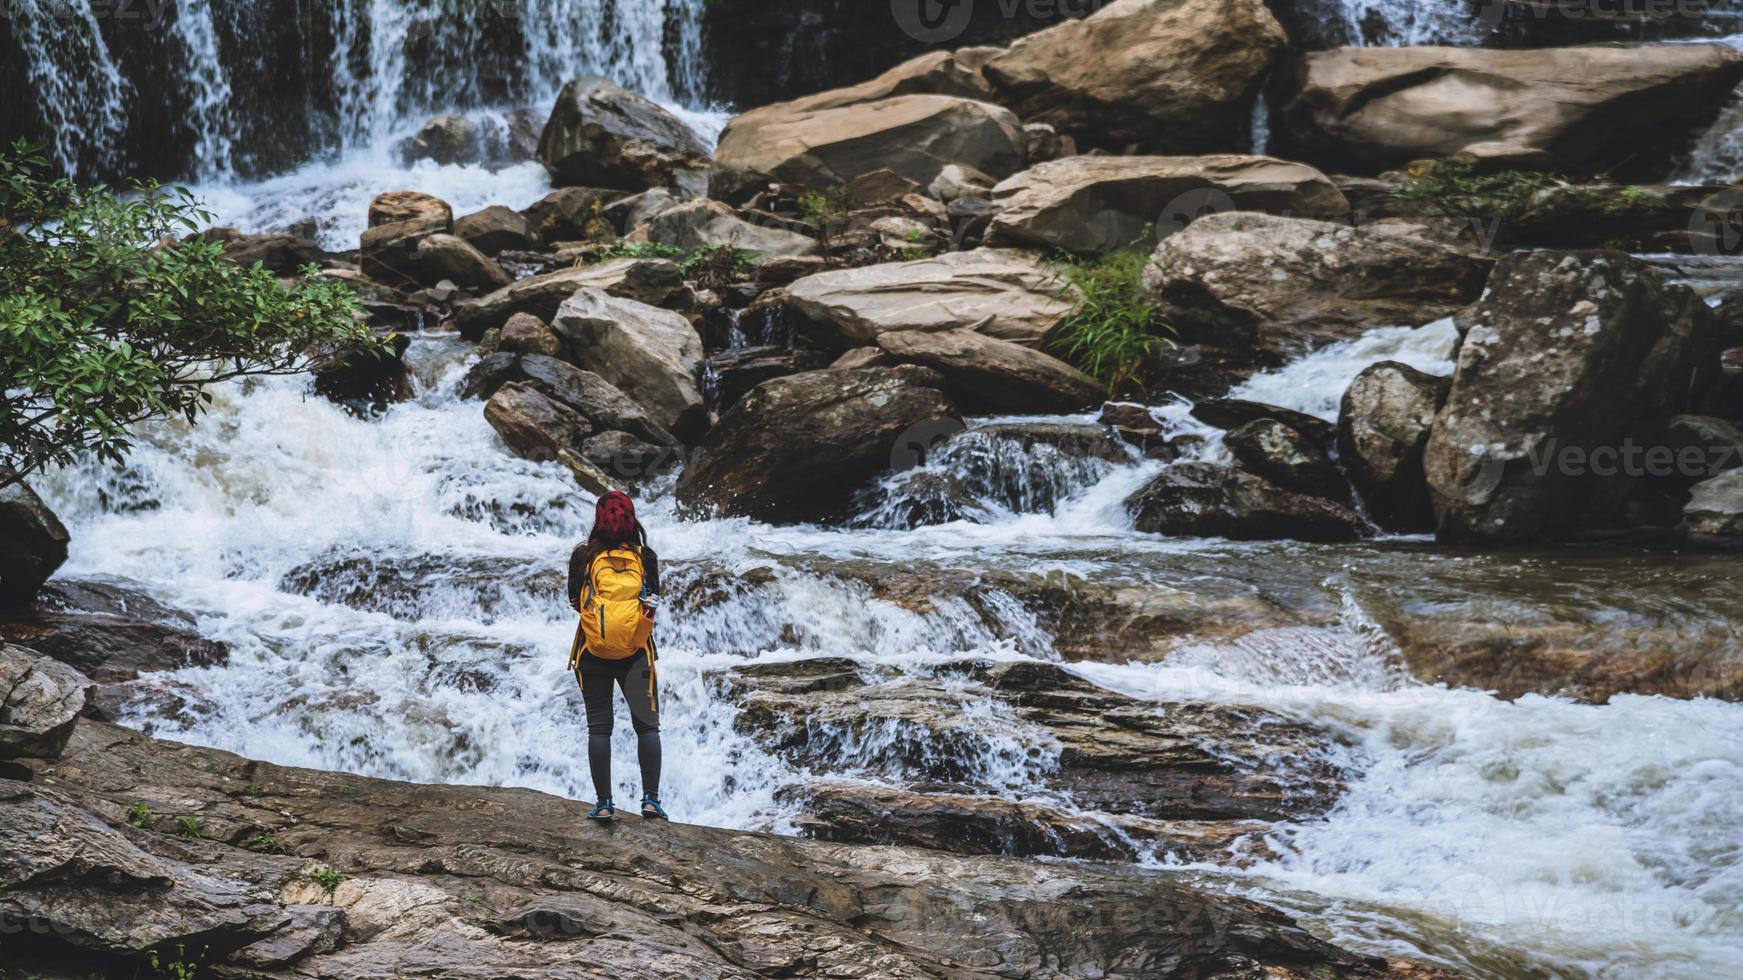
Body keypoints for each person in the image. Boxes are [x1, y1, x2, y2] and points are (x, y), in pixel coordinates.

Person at [566, 490, 667, 820]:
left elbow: (573, 601)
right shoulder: (645, 556)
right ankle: (650, 801)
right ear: (631, 519)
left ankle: (604, 804)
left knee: (599, 729)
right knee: (647, 728)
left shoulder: (583, 556)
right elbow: (653, 598)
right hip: (636, 651)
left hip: (591, 652)